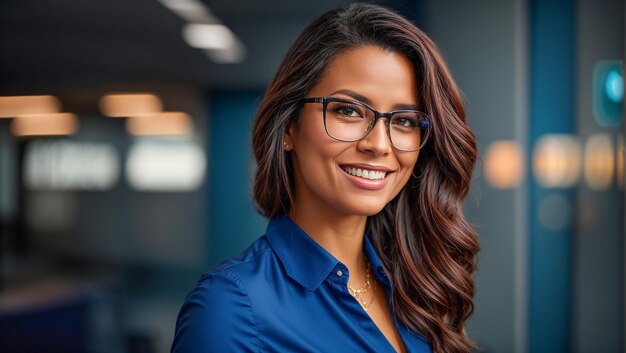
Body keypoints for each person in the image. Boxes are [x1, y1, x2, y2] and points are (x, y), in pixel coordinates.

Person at [171, 3, 478, 353]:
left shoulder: (418, 286)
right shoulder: (231, 309)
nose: (378, 144)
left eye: (405, 120)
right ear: (289, 126)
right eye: (348, 111)